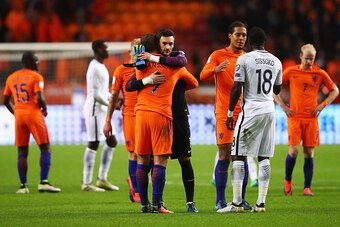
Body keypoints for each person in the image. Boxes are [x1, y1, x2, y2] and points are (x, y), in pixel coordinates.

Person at [127, 29, 199, 213]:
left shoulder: (140, 64)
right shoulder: (175, 66)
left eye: (170, 44)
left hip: (141, 114)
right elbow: (194, 82)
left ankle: (144, 204)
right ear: (158, 44)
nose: (168, 47)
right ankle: (158, 204)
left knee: (142, 159)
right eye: (165, 44)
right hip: (161, 115)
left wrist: (147, 78)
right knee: (160, 160)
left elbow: (130, 84)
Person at [218, 27, 282, 213]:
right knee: (264, 156)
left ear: (248, 42)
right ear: (265, 41)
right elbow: (277, 90)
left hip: (251, 110)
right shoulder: (276, 61)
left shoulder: (244, 59)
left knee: (238, 154)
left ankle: (237, 204)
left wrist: (230, 113)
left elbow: (237, 87)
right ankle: (260, 204)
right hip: (269, 110)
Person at [103, 38, 166, 202]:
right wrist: (108, 120)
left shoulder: (149, 68)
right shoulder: (121, 71)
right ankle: (136, 190)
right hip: (130, 115)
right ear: (130, 52)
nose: (138, 52)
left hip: (148, 114)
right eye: (135, 49)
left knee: (150, 155)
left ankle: (136, 182)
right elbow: (113, 97)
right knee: (135, 153)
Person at [273, 44, 339, 196]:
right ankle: (287, 180)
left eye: (312, 58)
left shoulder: (320, 73)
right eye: (307, 58)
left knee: (309, 153)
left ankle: (307, 187)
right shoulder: (291, 71)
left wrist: (322, 106)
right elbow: (273, 89)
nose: (309, 61)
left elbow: (335, 90)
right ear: (301, 56)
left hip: (311, 119)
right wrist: (283, 106)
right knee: (294, 151)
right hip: (294, 118)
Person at [200, 21, 251, 211]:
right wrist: (216, 68)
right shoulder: (217, 55)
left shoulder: (248, 58)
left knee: (242, 156)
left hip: (245, 113)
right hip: (224, 112)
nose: (241, 38)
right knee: (224, 154)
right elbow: (202, 74)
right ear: (229, 36)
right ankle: (220, 200)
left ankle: (241, 199)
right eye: (237, 34)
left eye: (244, 35)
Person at [3, 51, 61, 194]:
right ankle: (44, 182)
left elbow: (5, 101)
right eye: (36, 60)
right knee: (45, 147)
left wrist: (16, 112)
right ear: (28, 61)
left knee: (22, 150)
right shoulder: (36, 77)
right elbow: (40, 97)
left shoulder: (11, 77)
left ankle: (23, 186)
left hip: (20, 115)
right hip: (33, 113)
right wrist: (45, 109)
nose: (39, 63)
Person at [82, 40, 119, 192]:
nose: (108, 50)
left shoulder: (101, 66)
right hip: (94, 109)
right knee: (94, 143)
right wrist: (111, 104)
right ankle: (86, 183)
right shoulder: (93, 68)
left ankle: (102, 179)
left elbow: (102, 91)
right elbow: (95, 94)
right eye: (105, 47)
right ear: (98, 50)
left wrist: (113, 98)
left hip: (103, 108)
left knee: (112, 141)